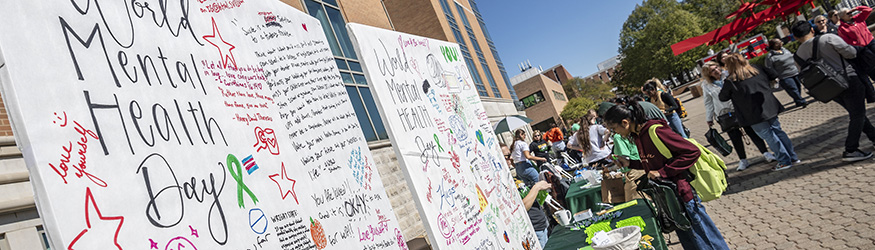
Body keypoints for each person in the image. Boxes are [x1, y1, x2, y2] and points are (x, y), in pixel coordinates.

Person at [604, 102, 731, 250]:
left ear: (625, 123)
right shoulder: (637, 136)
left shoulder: (655, 131)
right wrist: (630, 163)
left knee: (705, 238)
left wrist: (663, 172)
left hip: (682, 193)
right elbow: (652, 162)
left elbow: (692, 151)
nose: (615, 133)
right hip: (669, 198)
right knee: (690, 240)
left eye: (614, 129)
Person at [792, 21, 875, 161]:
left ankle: (873, 137)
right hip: (849, 80)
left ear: (795, 37)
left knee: (856, 113)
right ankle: (851, 149)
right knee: (858, 115)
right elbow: (851, 53)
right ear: (812, 30)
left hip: (829, 88)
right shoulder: (828, 38)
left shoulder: (797, 55)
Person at [719, 53, 799, 171]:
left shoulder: (731, 81)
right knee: (778, 131)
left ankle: (783, 161)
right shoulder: (757, 69)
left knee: (768, 136)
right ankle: (793, 157)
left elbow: (723, 97)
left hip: (751, 113)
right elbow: (774, 74)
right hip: (768, 105)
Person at [701, 61, 776, 171]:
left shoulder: (728, 75)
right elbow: (708, 102)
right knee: (735, 138)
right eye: (713, 70)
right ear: (708, 74)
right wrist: (709, 118)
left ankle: (766, 153)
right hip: (724, 113)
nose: (717, 70)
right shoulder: (706, 85)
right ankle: (743, 160)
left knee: (752, 131)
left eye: (716, 67)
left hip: (740, 109)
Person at [765, 38, 808, 107]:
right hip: (784, 76)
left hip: (795, 72)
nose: (781, 43)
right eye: (779, 42)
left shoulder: (784, 50)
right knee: (792, 89)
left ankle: (798, 101)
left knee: (798, 87)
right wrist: (774, 77)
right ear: (775, 45)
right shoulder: (770, 56)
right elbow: (769, 67)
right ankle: (801, 101)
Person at [519, 180, 551, 248]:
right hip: (535, 230)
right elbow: (523, 207)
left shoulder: (515, 181)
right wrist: (536, 187)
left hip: (542, 226)